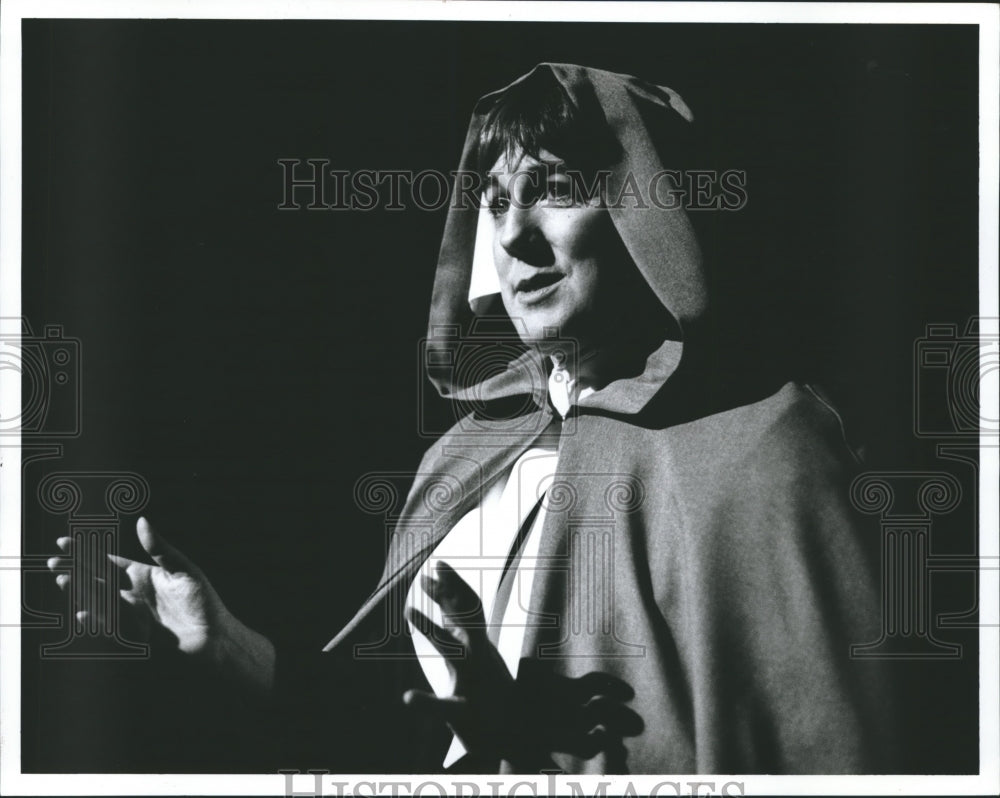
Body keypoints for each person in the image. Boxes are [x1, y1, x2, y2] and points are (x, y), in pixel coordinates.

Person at [48, 63, 898, 774]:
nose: (515, 236)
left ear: (650, 214)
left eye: (557, 190)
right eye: (494, 202)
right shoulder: (474, 451)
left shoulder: (765, 446)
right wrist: (227, 645)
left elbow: (846, 759)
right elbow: (407, 735)